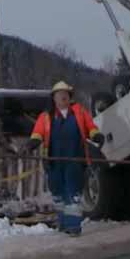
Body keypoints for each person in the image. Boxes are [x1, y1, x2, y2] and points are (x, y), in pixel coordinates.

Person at [21, 81, 105, 236]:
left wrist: (96, 135)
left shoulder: (79, 112)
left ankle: (73, 227)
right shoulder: (45, 117)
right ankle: (63, 222)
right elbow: (38, 133)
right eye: (59, 95)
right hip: (53, 162)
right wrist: (31, 144)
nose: (63, 98)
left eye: (65, 95)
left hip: (75, 160)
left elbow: (90, 127)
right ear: (54, 98)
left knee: (73, 194)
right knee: (58, 194)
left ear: (70, 97)